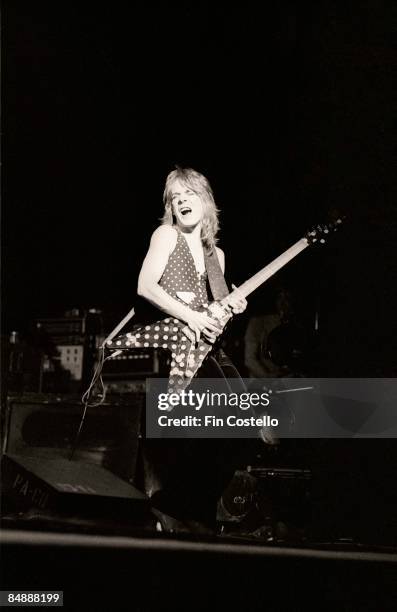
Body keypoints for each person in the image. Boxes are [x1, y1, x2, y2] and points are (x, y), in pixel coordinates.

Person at [135, 166, 250, 534]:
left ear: (206, 202)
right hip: (178, 346)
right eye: (175, 197)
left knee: (241, 431)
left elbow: (213, 318)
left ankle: (188, 509)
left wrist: (233, 308)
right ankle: (176, 507)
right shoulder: (165, 235)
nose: (181, 201)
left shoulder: (217, 256)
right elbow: (146, 286)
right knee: (205, 433)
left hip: (208, 349)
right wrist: (190, 317)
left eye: (188, 194)